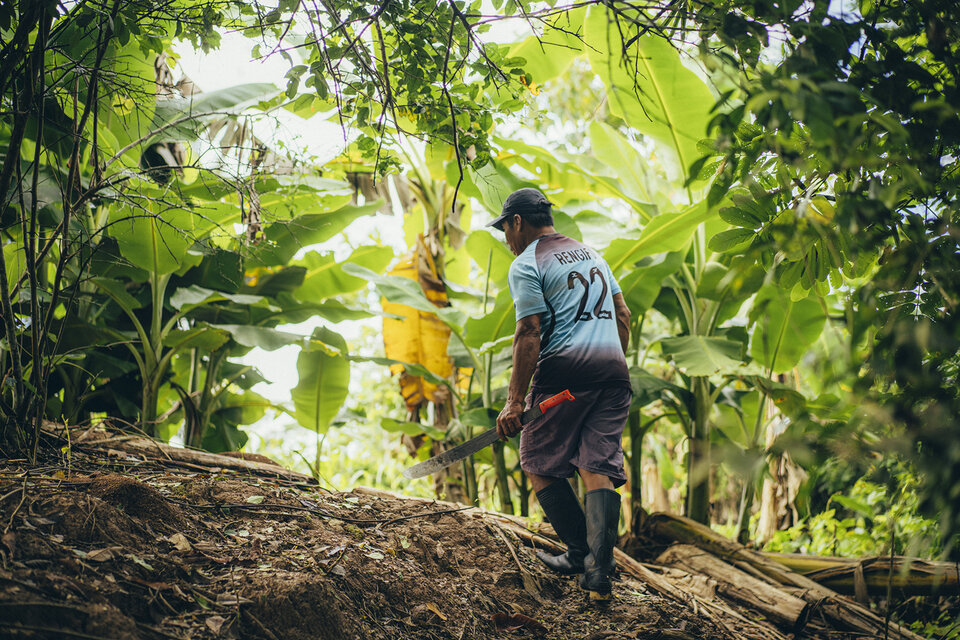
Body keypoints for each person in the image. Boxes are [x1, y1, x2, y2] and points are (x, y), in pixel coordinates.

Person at [490, 187, 632, 601]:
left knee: (537, 460)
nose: (505, 238)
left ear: (517, 221)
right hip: (613, 373)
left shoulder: (527, 261)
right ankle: (599, 575)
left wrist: (515, 402)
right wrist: (610, 361)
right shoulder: (593, 255)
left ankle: (578, 553)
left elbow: (529, 330)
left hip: (564, 375)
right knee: (596, 464)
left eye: (504, 228)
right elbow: (622, 314)